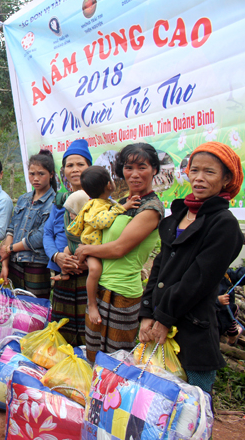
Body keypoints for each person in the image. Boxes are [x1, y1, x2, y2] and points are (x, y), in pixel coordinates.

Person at [138, 141, 244, 394]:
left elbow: (198, 280)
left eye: (210, 172)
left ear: (226, 178)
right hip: (157, 322)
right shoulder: (178, 216)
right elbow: (159, 270)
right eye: (194, 170)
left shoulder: (224, 224)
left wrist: (163, 317)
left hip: (193, 330)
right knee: (151, 407)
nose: (199, 178)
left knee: (191, 412)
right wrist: (146, 312)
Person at [75, 143, 164, 362]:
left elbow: (118, 248)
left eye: (141, 167)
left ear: (154, 169)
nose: (134, 174)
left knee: (116, 361)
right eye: (128, 167)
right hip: (99, 288)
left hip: (123, 293)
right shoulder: (123, 203)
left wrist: (86, 249)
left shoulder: (151, 208)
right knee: (93, 356)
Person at [65, 166, 140, 326]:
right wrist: (123, 208)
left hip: (96, 246)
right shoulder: (96, 205)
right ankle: (92, 305)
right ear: (108, 185)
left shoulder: (106, 202)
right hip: (91, 245)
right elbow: (101, 221)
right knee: (95, 270)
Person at [43, 139, 92, 345]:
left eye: (80, 164)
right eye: (70, 165)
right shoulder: (60, 199)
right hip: (62, 270)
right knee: (63, 329)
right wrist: (57, 256)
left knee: (87, 326)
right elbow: (47, 233)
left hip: (87, 273)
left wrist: (82, 260)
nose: (75, 169)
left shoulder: (99, 200)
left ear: (90, 167)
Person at [0, 150, 57, 298]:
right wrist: (5, 263)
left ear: (51, 174)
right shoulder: (23, 199)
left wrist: (10, 248)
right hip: (14, 262)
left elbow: (39, 237)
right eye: (32, 174)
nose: (35, 178)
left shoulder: (55, 202)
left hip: (36, 263)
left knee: (34, 310)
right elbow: (11, 228)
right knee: (14, 309)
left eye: (41, 174)